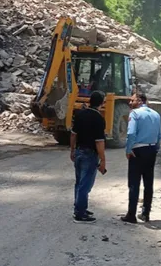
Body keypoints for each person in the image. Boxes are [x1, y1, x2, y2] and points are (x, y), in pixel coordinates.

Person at [121, 92, 161, 224]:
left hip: (137, 150)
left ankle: (131, 214)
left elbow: (131, 133)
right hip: (151, 149)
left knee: (134, 182)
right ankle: (146, 213)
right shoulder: (156, 114)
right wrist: (155, 148)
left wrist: (128, 149)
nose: (130, 102)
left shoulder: (135, 114)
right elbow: (159, 134)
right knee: (148, 182)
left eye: (132, 100)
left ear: (139, 101)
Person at [70, 90, 107, 224]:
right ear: (102, 103)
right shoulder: (99, 119)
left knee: (79, 182)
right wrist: (103, 159)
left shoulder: (80, 114)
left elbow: (73, 134)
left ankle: (79, 208)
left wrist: (72, 150)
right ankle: (80, 214)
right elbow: (99, 141)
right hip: (90, 154)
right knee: (85, 184)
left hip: (79, 151)